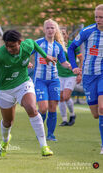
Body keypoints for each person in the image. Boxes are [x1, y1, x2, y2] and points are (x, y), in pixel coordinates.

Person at [0, 29, 55, 157]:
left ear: (20, 42)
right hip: (5, 90)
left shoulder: (26, 46)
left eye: (12, 46)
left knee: (32, 108)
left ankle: (44, 146)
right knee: (8, 122)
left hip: (23, 84)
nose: (9, 49)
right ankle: (5, 141)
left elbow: (34, 43)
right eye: (6, 46)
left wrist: (45, 56)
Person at [68, 4, 103, 154]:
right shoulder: (87, 31)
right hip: (88, 76)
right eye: (96, 17)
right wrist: (74, 66)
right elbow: (71, 48)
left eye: (101, 17)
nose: (98, 20)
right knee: (96, 114)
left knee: (102, 108)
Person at [32, 19, 71, 142]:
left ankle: (51, 135)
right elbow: (26, 53)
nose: (50, 30)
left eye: (52, 28)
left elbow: (63, 62)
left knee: (53, 108)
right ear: (44, 30)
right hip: (40, 80)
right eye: (48, 28)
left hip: (54, 80)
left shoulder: (58, 46)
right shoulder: (37, 43)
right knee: (43, 108)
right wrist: (26, 62)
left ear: (56, 30)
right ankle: (39, 132)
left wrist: (71, 66)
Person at [57, 27, 84, 126]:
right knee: (60, 98)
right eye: (60, 33)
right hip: (59, 75)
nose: (62, 35)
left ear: (67, 35)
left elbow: (81, 58)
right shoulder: (56, 45)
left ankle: (72, 115)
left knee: (66, 96)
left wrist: (79, 73)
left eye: (63, 33)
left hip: (71, 74)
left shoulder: (72, 45)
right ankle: (64, 119)